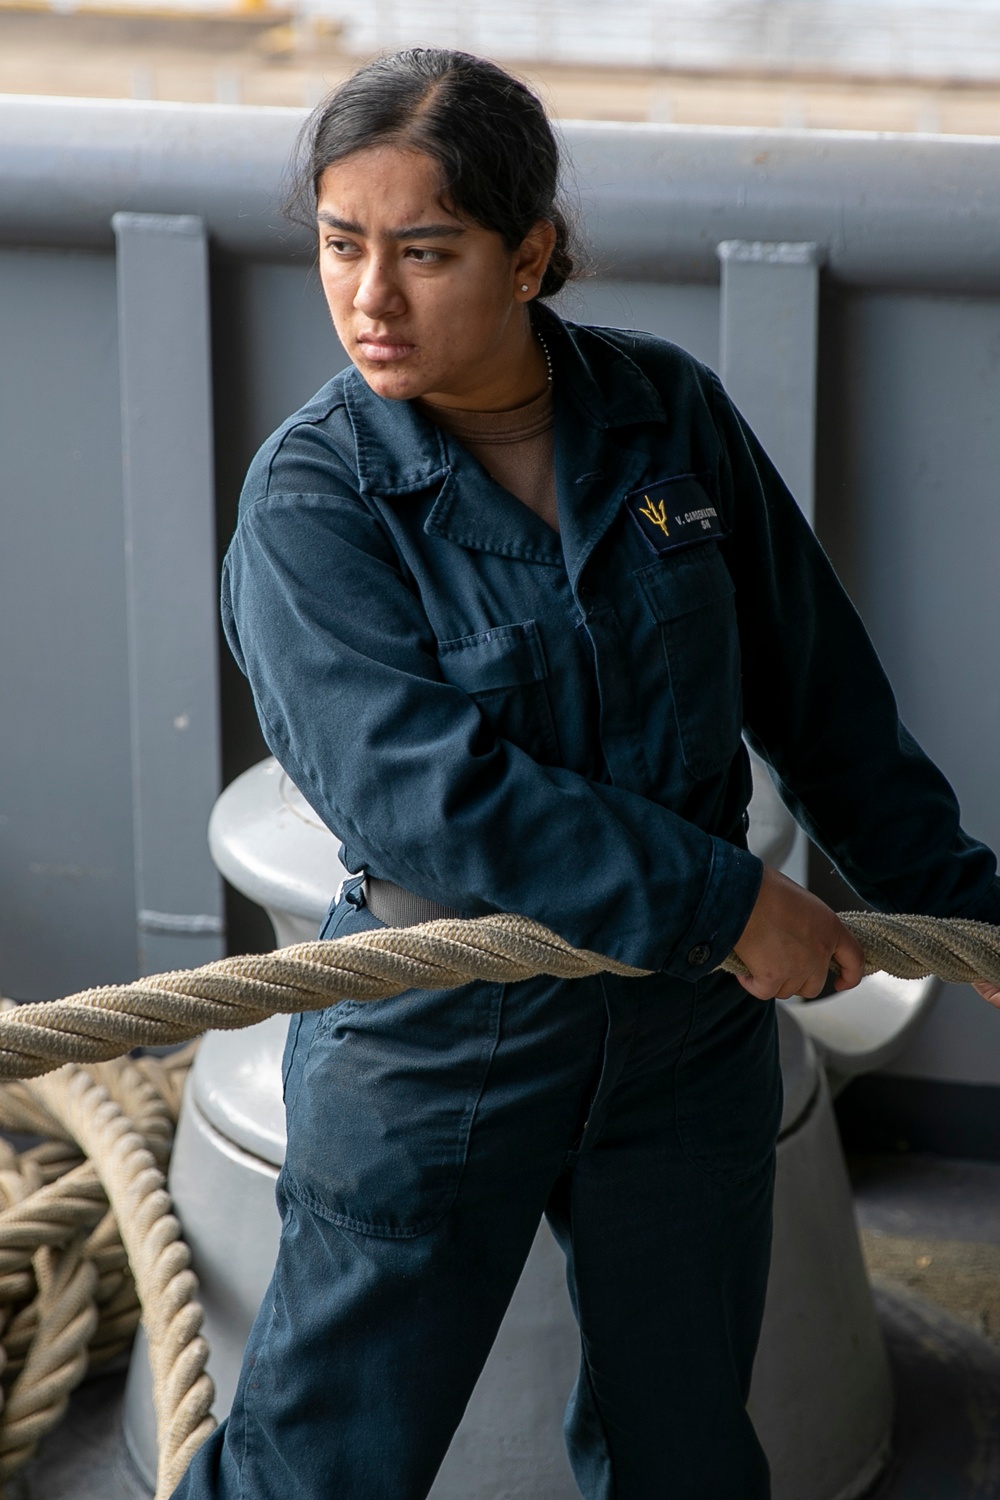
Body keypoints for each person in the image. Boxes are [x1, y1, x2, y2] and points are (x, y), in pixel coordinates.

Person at [173, 48, 1000, 1500]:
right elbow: (424, 791)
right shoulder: (311, 500)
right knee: (322, 1464)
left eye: (425, 252)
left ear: (532, 252)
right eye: (340, 244)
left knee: (683, 1449)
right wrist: (726, 902)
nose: (370, 297)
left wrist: (962, 908)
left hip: (683, 1042)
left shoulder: (668, 417)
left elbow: (822, 699)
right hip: (439, 1030)